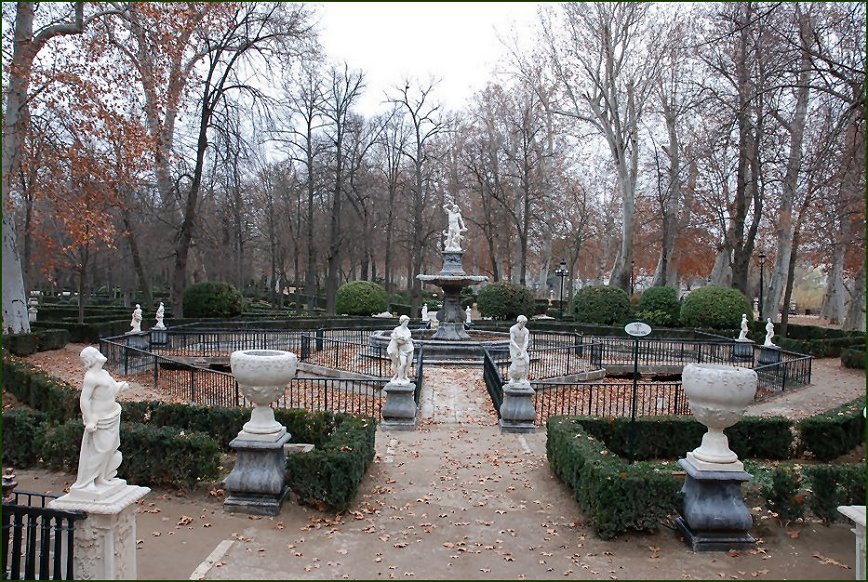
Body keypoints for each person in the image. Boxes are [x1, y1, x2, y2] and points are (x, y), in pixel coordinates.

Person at [70, 347, 128, 492]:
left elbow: (111, 389)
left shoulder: (104, 373)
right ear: (91, 359)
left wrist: (120, 386)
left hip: (112, 416)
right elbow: (85, 400)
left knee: (109, 449)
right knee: (100, 450)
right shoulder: (91, 377)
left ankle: (101, 478)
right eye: (96, 353)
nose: (100, 354)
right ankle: (87, 482)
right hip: (100, 419)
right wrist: (89, 420)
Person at [387, 315, 415, 384]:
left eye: (407, 322)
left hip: (410, 349)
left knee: (408, 364)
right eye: (406, 322)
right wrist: (402, 339)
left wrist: (402, 338)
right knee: (403, 364)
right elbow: (396, 339)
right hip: (402, 351)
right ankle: (399, 377)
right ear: (402, 322)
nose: (407, 323)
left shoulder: (408, 330)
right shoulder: (397, 329)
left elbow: (406, 339)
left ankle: (405, 376)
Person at [508, 315, 530, 383]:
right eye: (522, 323)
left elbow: (526, 341)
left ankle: (523, 378)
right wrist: (517, 349)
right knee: (516, 363)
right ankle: (514, 378)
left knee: (526, 362)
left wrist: (523, 352)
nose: (523, 324)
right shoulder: (512, 329)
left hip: (522, 347)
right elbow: (512, 340)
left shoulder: (526, 330)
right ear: (518, 322)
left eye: (524, 323)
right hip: (514, 347)